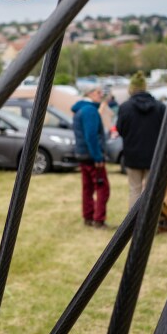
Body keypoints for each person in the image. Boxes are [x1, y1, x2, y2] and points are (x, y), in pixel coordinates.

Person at [116, 71, 165, 209]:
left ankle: (133, 224)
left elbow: (120, 129)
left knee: (134, 190)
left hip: (132, 154)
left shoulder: (125, 107)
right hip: (154, 154)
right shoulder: (160, 107)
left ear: (131, 89)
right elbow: (166, 130)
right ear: (145, 88)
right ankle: (151, 222)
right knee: (152, 191)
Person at [72, 84, 111, 228]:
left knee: (87, 188)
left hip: (83, 155)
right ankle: (99, 220)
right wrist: (98, 157)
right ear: (90, 93)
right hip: (92, 157)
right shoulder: (89, 111)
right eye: (98, 92)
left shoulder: (81, 109)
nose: (101, 95)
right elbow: (91, 136)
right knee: (103, 188)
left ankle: (88, 217)